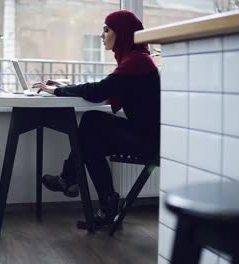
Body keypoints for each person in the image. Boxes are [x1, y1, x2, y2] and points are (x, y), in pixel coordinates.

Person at [32, 10, 160, 228]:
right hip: (145, 134)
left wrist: (56, 92)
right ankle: (104, 205)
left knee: (91, 124)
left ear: (124, 33)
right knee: (90, 141)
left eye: (107, 29)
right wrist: (65, 88)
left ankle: (71, 181)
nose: (102, 35)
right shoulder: (134, 60)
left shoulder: (137, 61)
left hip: (150, 141)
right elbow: (106, 88)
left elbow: (99, 91)